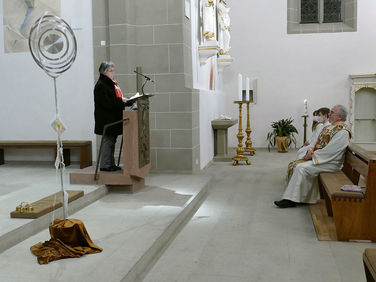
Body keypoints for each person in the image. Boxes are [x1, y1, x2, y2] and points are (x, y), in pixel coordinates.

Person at [275, 105, 351, 208]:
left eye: (332, 112)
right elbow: (317, 142)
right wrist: (311, 150)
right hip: (323, 160)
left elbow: (331, 151)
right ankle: (300, 198)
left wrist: (313, 156)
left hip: (331, 163)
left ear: (339, 117)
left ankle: (291, 200)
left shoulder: (342, 132)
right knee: (298, 165)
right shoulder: (330, 127)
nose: (329, 114)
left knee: (302, 168)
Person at [94, 61, 130, 171]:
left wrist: (128, 102)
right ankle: (105, 165)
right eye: (111, 70)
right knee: (108, 141)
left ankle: (111, 164)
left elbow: (115, 100)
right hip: (106, 119)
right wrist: (121, 101)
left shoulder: (110, 84)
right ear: (104, 72)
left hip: (112, 118)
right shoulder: (101, 85)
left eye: (113, 70)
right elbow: (107, 103)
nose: (113, 72)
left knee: (112, 141)